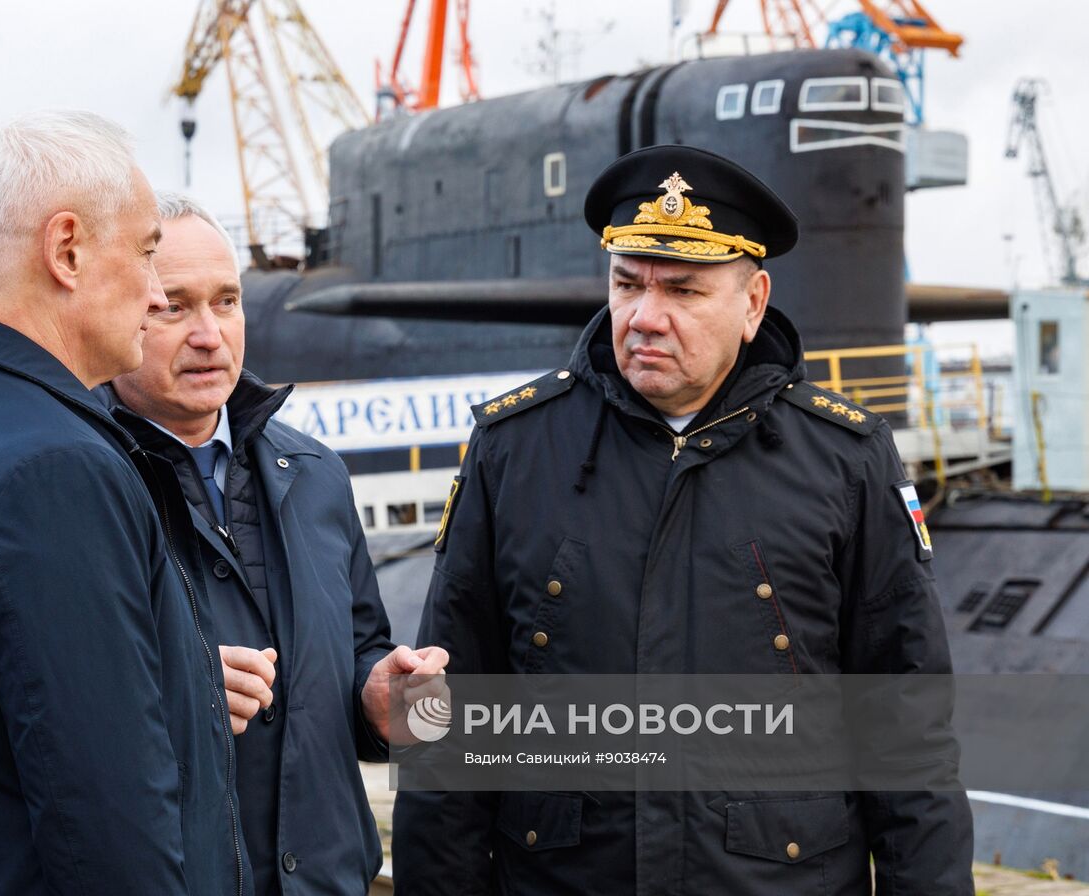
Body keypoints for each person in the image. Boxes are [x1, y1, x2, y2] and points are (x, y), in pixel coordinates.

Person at [392, 145, 974, 895]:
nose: (644, 318)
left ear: (753, 302)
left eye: (686, 292)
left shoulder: (845, 460)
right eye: (627, 284)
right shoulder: (516, 449)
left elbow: (909, 736)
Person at [0, 111, 249, 895]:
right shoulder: (56, 470)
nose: (156, 290)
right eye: (147, 252)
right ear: (67, 250)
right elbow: (109, 830)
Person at [100, 192, 447, 895]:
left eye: (226, 302)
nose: (210, 335)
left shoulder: (316, 474)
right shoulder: (86, 483)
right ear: (119, 312)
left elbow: (355, 650)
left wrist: (381, 700)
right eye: (174, 307)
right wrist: (179, 691)